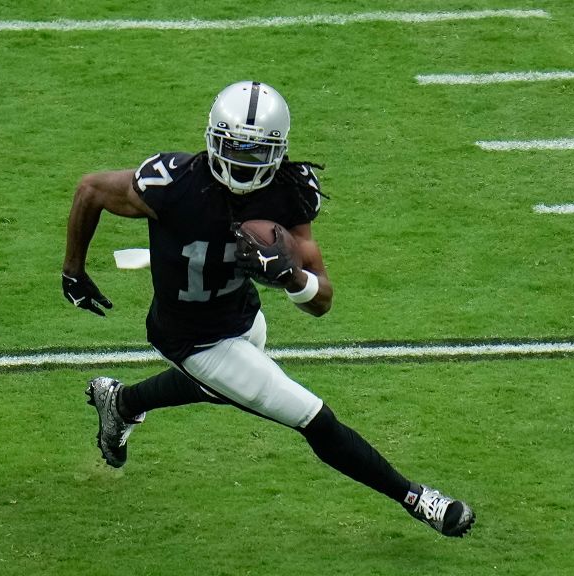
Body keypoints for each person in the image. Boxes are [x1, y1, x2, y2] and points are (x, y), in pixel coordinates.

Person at [61, 80, 474, 537]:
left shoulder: (288, 194)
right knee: (311, 416)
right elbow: (90, 189)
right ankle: (415, 497)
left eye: (255, 153)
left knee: (222, 388)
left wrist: (290, 276)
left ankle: (121, 402)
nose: (241, 163)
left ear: (277, 153)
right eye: (233, 148)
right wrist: (73, 272)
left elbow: (322, 302)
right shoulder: (173, 183)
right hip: (188, 336)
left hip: (243, 317)